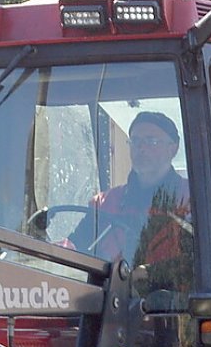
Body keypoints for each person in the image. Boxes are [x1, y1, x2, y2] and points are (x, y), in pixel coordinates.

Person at [69, 111, 192, 270]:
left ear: (173, 149)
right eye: (135, 141)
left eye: (151, 141)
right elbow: (75, 243)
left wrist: (150, 274)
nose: (141, 148)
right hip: (111, 291)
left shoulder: (192, 198)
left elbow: (198, 259)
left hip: (174, 291)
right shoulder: (105, 203)